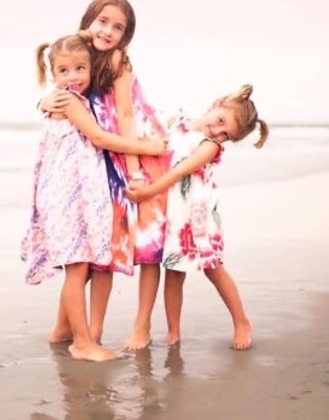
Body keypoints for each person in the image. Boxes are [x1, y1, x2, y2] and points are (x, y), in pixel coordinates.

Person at [21, 34, 166, 362]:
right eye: (64, 70)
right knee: (77, 268)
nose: (73, 76)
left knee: (81, 265)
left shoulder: (72, 99)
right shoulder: (68, 101)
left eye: (80, 68)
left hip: (71, 196)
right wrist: (147, 148)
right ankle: (83, 343)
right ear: (53, 74)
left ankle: (62, 331)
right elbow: (100, 138)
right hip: (65, 199)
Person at [126, 84, 269, 350]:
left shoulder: (209, 146)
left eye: (226, 135)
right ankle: (173, 332)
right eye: (220, 122)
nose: (217, 132)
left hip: (198, 220)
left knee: (214, 269)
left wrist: (147, 192)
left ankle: (241, 321)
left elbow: (178, 172)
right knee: (173, 272)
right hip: (174, 217)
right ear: (218, 104)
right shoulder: (177, 121)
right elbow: (147, 128)